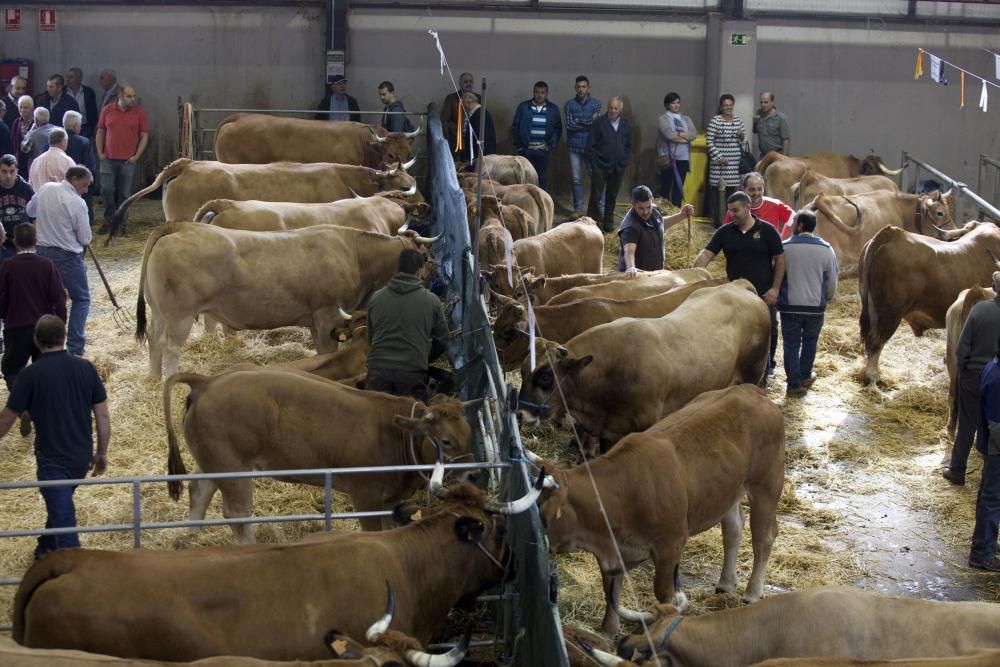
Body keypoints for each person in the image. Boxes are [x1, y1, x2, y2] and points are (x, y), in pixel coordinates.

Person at [0, 314, 109, 560]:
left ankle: (74, 572)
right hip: (81, 457)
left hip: (52, 460)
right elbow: (102, 415)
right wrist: (101, 452)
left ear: (36, 341)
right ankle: (45, 548)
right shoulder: (85, 367)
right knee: (60, 507)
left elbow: (7, 418)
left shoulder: (30, 375)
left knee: (65, 525)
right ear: (64, 337)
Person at [695, 191, 784, 374]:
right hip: (735, 296)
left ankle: (767, 368)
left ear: (747, 207)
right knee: (736, 332)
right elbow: (706, 254)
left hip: (763, 294)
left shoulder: (767, 231)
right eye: (730, 211)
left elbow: (780, 259)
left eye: (735, 210)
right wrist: (694, 274)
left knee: (769, 330)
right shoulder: (725, 232)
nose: (732, 214)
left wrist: (775, 289)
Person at [26, 166, 93, 357]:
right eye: (84, 184)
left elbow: (31, 210)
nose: (86, 190)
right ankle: (75, 346)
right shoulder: (77, 203)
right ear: (73, 179)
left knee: (45, 299)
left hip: (41, 252)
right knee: (81, 298)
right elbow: (85, 239)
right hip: (67, 256)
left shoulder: (46, 188)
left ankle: (42, 343)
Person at [365, 248, 448, 401]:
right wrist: (423, 356)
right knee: (411, 419)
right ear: (419, 271)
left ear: (398, 269)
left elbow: (370, 339)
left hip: (377, 371)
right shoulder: (432, 301)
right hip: (412, 372)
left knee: (376, 421)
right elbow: (443, 340)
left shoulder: (375, 298)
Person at [944, 272, 1000, 486]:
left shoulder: (979, 310)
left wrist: (965, 370)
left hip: (974, 375)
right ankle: (990, 473)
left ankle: (957, 470)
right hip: (997, 378)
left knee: (966, 424)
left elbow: (961, 348)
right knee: (994, 424)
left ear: (993, 288)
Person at [777, 210, 839, 397]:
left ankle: (793, 384)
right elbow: (832, 279)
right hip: (815, 307)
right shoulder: (827, 249)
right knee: (810, 342)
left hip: (790, 305)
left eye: (794, 221)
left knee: (791, 344)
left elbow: (777, 275)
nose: (792, 224)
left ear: (801, 225)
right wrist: (826, 298)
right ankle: (805, 375)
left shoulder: (785, 248)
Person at [0, 223, 66, 392]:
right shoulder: (47, 265)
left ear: (15, 242)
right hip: (44, 327)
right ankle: (42, 403)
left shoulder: (7, 266)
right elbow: (59, 297)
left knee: (12, 369)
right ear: (36, 240)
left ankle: (21, 404)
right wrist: (60, 323)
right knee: (46, 369)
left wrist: (5, 316)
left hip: (17, 326)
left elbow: (2, 297)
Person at [95, 84, 149, 225]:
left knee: (124, 194)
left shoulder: (139, 113)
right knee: (107, 190)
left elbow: (144, 135)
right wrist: (100, 152)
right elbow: (100, 131)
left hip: (128, 160)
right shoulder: (107, 110)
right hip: (108, 158)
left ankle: (121, 222)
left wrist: (136, 156)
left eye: (133, 96)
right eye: (129, 96)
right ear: (120, 97)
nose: (132, 99)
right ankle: (109, 220)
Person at [968, 339, 1000, 570]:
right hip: (997, 448)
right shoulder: (998, 378)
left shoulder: (992, 366)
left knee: (989, 497)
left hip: (992, 446)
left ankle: (987, 543)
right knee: (992, 499)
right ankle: (981, 553)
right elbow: (997, 425)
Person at [617, 185, 693, 276]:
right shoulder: (630, 226)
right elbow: (629, 251)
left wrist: (681, 215)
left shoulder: (655, 210)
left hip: (654, 274)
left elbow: (660, 225)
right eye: (641, 208)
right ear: (633, 204)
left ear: (652, 201)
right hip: (637, 277)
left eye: (648, 207)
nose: (645, 212)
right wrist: (631, 267)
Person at [586, 96, 631, 233]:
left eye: (616, 108)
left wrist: (624, 160)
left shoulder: (625, 124)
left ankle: (608, 223)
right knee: (596, 195)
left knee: (612, 196)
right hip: (600, 166)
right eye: (611, 107)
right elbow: (590, 145)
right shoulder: (599, 123)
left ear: (621, 109)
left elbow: (628, 145)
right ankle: (591, 223)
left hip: (618, 166)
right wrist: (595, 163)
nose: (612, 110)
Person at [511, 81, 562, 191]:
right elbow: (515, 126)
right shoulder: (524, 107)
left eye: (542, 92)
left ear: (546, 93)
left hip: (543, 149)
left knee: (541, 177)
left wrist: (550, 146)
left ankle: (540, 202)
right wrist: (519, 145)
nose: (540, 95)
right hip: (526, 150)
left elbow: (558, 129)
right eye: (537, 92)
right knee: (525, 177)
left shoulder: (553, 109)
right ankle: (525, 201)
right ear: (533, 93)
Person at [705, 93, 745, 227]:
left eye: (730, 105)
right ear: (721, 107)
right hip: (719, 167)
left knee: (732, 195)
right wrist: (719, 157)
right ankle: (718, 222)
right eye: (725, 105)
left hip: (734, 166)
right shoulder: (715, 121)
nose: (728, 108)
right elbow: (709, 142)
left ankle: (730, 222)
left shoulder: (738, 120)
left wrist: (741, 136)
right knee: (717, 196)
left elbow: (743, 141)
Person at [563, 75, 601, 215]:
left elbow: (595, 124)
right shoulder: (569, 104)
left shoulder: (596, 103)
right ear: (575, 88)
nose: (581, 89)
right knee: (576, 179)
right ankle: (578, 209)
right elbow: (569, 125)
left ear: (588, 87)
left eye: (584, 86)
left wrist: (579, 121)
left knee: (596, 178)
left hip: (591, 147)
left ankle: (599, 208)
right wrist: (587, 122)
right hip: (574, 147)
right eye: (578, 87)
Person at [723, 171, 795, 240]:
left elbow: (796, 219)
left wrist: (782, 241)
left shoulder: (775, 205)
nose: (756, 193)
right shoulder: (734, 209)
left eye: (759, 189)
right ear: (743, 189)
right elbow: (725, 234)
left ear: (763, 189)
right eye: (752, 190)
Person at [656, 92, 697, 207]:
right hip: (668, 158)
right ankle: (663, 214)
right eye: (673, 103)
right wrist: (685, 137)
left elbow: (693, 134)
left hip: (683, 158)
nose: (676, 105)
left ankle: (676, 214)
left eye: (678, 102)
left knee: (678, 189)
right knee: (665, 187)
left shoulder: (686, 119)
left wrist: (678, 135)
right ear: (667, 105)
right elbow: (669, 135)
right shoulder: (663, 119)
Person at [63, 111, 97, 226]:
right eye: (80, 125)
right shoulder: (84, 142)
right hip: (80, 186)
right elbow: (90, 166)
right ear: (75, 126)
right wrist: (91, 184)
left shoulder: (53, 142)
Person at [0, 154, 33, 263]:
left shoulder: (26, 189)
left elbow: (35, 216)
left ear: (17, 171)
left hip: (23, 243)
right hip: (3, 243)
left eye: (12, 171)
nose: (8, 175)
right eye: (4, 171)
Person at [442, 72, 478, 153]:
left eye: (471, 81)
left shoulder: (479, 98)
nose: (469, 84)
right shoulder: (451, 99)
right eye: (465, 82)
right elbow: (444, 121)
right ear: (460, 83)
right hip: (456, 139)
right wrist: (449, 138)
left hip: (473, 140)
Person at [457, 91, 495, 164]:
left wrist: (475, 160)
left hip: (482, 160)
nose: (463, 109)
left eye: (463, 106)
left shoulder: (479, 115)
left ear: (468, 103)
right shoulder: (480, 113)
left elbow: (482, 139)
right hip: (482, 157)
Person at [753, 91, 790, 160]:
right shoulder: (759, 115)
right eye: (761, 102)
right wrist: (754, 122)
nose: (763, 105)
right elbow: (754, 131)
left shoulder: (781, 118)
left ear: (772, 102)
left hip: (777, 156)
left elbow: (786, 140)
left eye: (766, 102)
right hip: (763, 156)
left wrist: (784, 158)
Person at [65, 68, 98, 139]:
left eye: (71, 77)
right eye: (67, 77)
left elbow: (93, 112)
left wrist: (92, 128)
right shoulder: (63, 91)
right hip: (66, 128)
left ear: (78, 79)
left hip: (84, 127)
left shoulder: (88, 92)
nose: (67, 79)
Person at [11, 95, 34, 179]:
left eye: (25, 107)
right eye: (20, 107)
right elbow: (13, 142)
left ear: (32, 108)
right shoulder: (16, 122)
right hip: (19, 162)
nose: (22, 110)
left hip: (32, 162)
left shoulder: (36, 122)